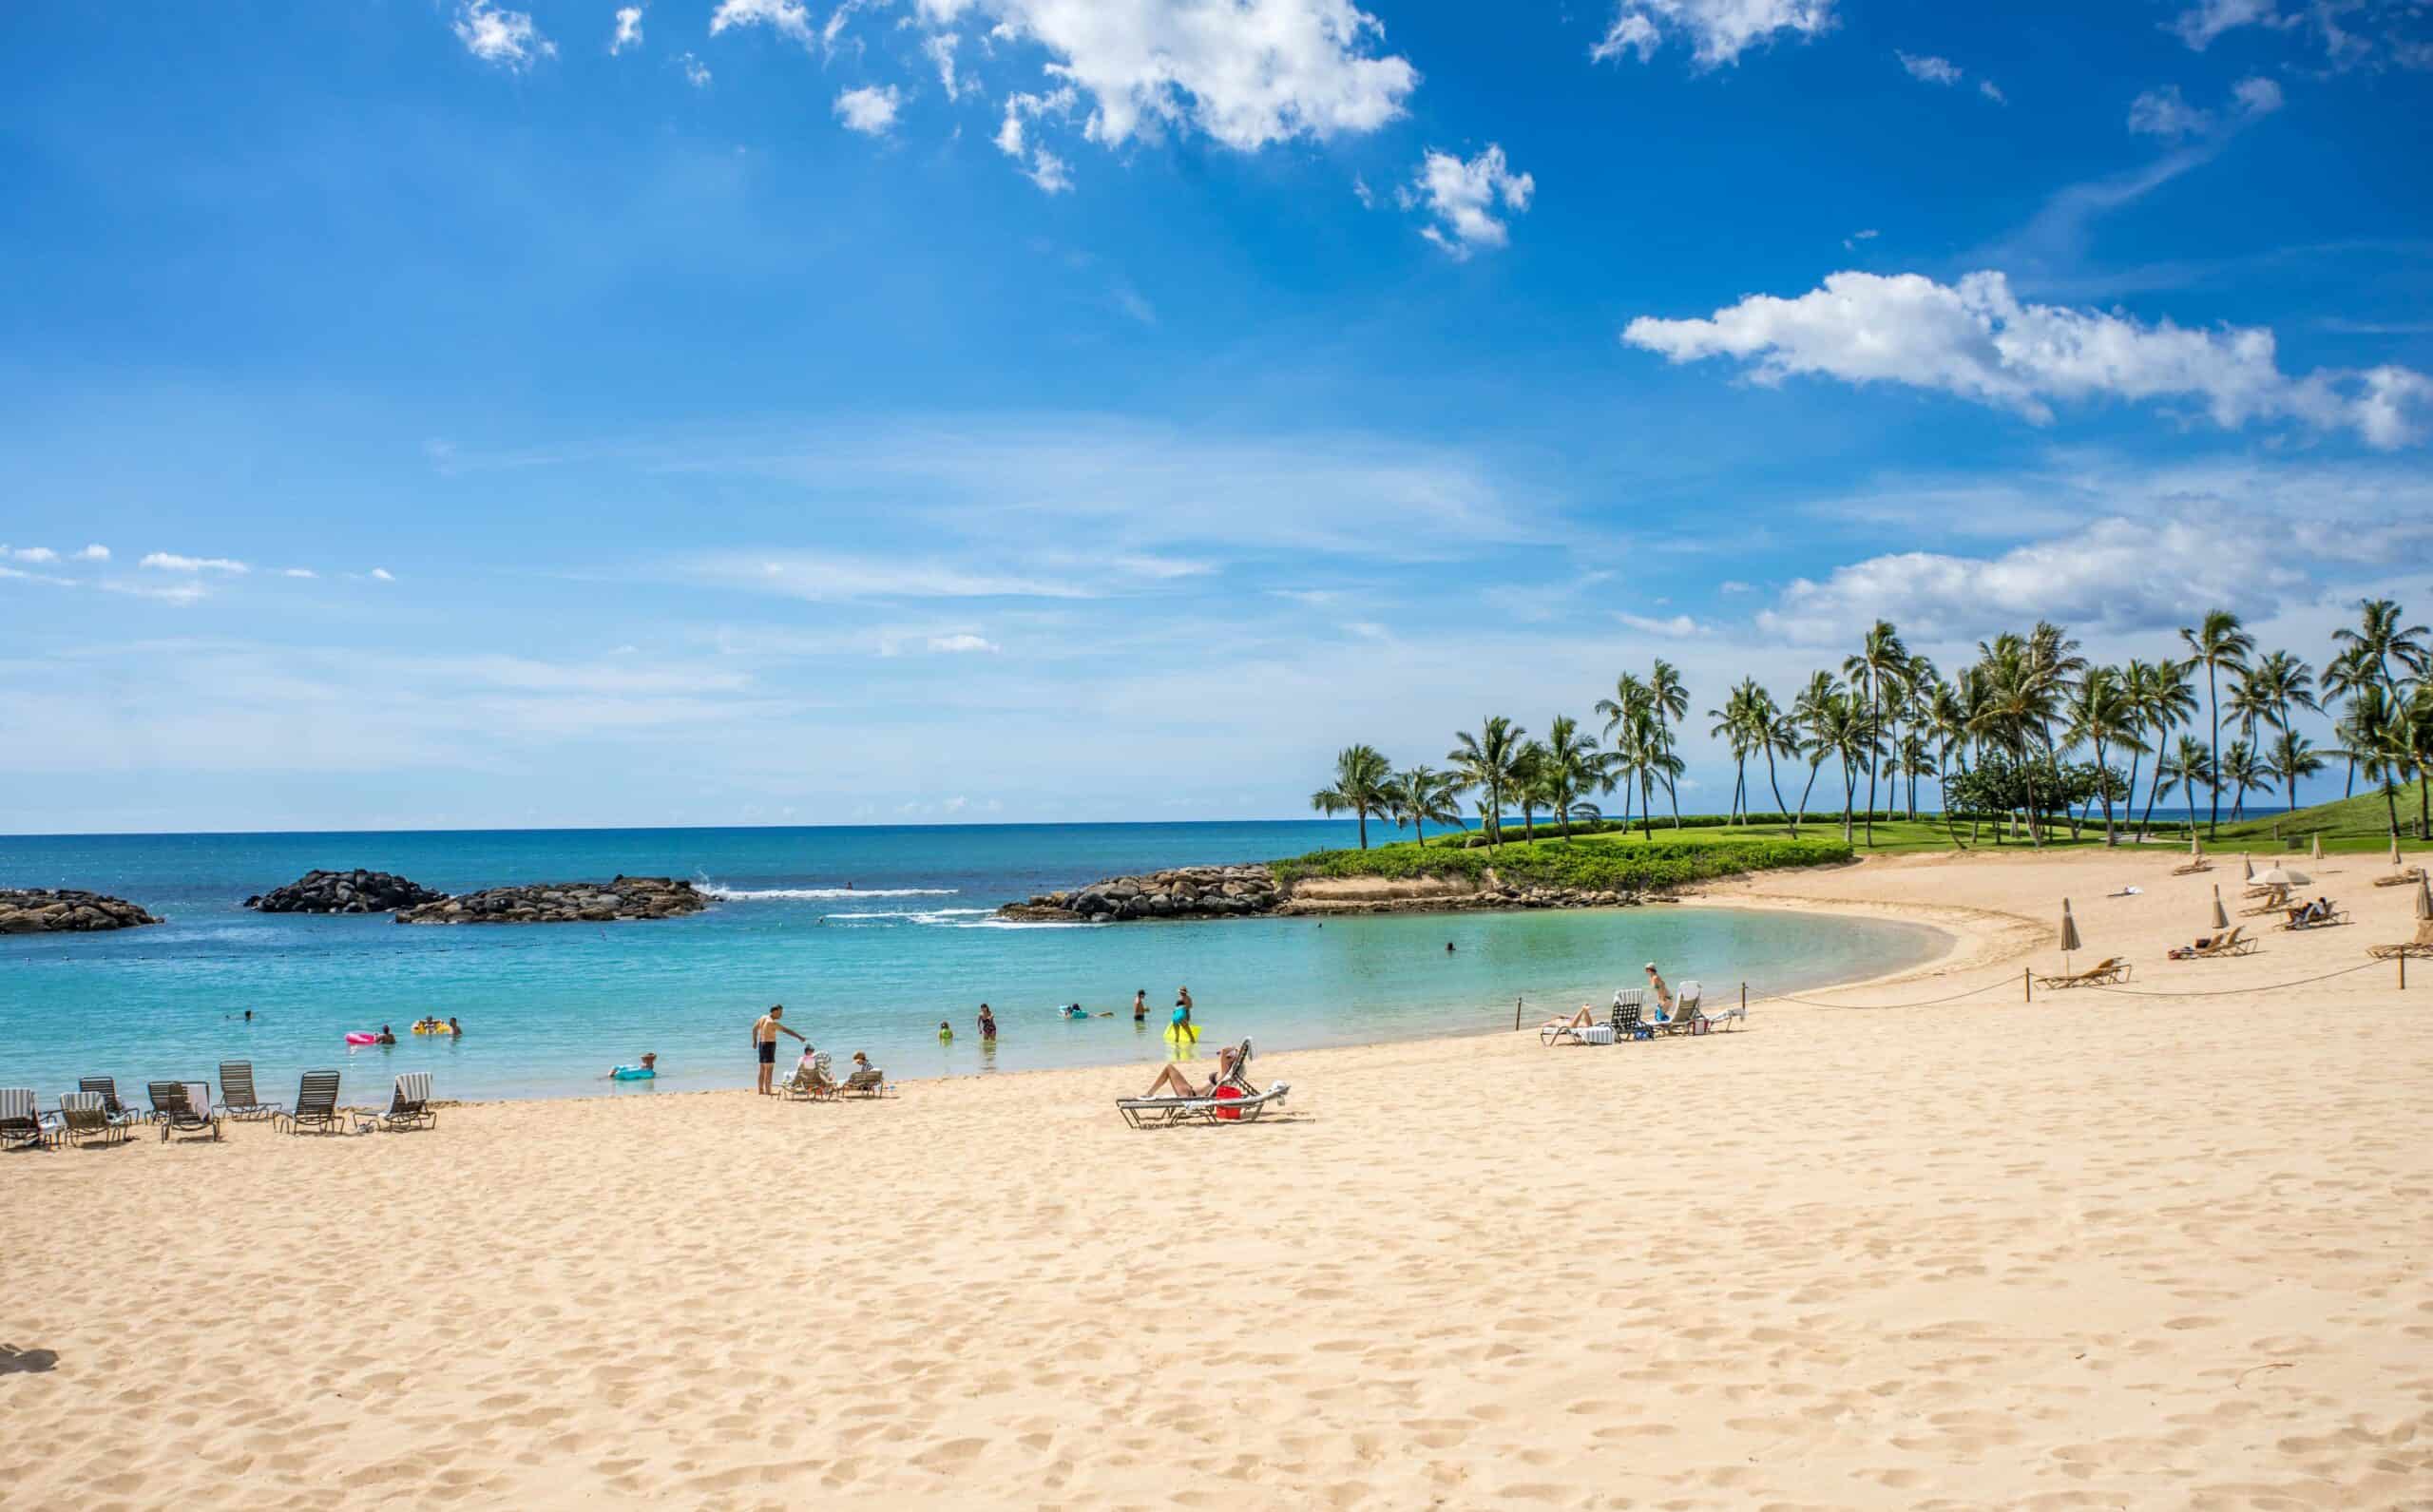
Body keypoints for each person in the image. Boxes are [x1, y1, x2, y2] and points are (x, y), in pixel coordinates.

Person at [1139, 1044, 1238, 1100]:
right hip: (1190, 1091)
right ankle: (1149, 1093)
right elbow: (1226, 1053)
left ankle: (1150, 1093)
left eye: (1229, 1058)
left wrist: (1231, 1049)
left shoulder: (1223, 1075)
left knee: (1169, 1068)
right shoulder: (1225, 1075)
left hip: (1190, 1094)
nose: (1226, 1058)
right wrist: (1234, 1052)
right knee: (1169, 1068)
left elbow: (1225, 1050)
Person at [753, 1005, 805, 1095]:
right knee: (769, 1069)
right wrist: (799, 1037)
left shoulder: (763, 1017)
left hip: (761, 1044)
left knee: (762, 1069)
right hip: (769, 1045)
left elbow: (754, 1029)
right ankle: (768, 1091)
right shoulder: (772, 1022)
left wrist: (754, 1041)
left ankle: (761, 1090)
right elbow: (787, 1030)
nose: (781, 1015)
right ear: (774, 1012)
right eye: (780, 1013)